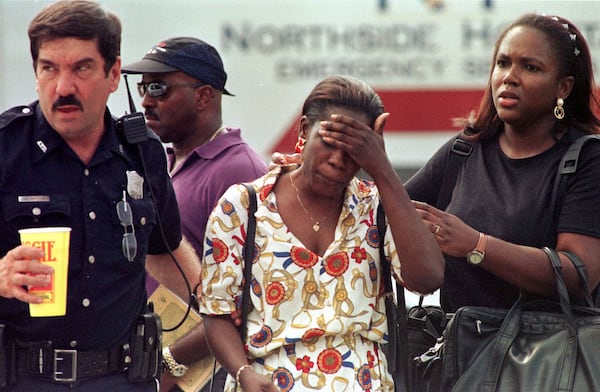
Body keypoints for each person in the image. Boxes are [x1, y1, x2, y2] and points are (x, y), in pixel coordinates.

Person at [0, 1, 201, 390]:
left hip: (122, 379)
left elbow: (164, 249)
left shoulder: (143, 152)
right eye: (49, 69)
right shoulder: (6, 148)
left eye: (81, 68)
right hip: (24, 379)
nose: (63, 87)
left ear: (113, 74)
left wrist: (219, 310)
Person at [200, 75, 445, 391]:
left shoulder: (374, 207)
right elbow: (216, 312)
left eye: (354, 152)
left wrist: (383, 170)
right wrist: (243, 372)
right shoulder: (244, 206)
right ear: (304, 130)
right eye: (329, 143)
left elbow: (427, 278)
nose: (337, 162)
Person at [402, 13, 600, 312]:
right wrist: (373, 166)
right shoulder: (464, 150)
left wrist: (477, 245)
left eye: (530, 67)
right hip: (463, 353)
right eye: (503, 63)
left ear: (564, 88)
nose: (509, 77)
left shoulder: (587, 159)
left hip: (550, 355)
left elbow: (576, 275)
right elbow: (387, 215)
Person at [121, 37, 268, 391]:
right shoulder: (165, 163)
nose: (145, 100)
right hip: (150, 362)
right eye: (143, 87)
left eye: (158, 87)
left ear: (203, 96)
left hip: (201, 376)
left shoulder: (239, 169)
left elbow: (252, 297)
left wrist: (170, 362)